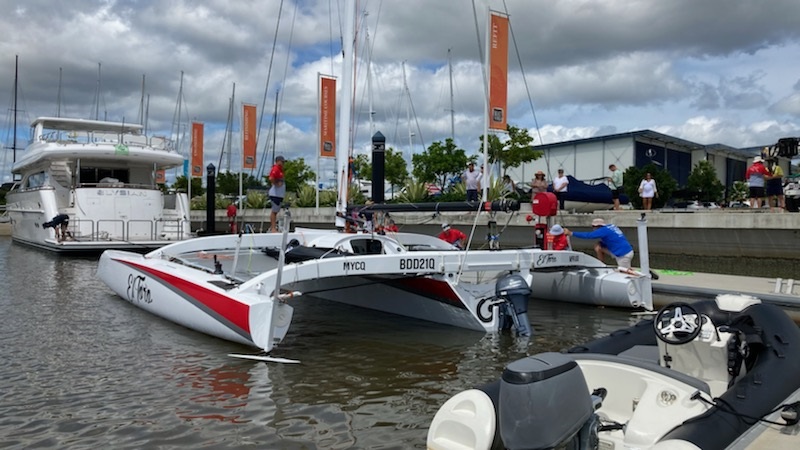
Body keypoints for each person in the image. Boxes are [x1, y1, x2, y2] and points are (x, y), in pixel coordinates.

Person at [565, 218, 634, 269]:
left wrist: (571, 233)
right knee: (598, 246)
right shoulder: (610, 226)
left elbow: (588, 236)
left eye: (593, 227)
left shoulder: (602, 231)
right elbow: (612, 238)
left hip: (623, 255)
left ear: (597, 226)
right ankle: (601, 265)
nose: (593, 229)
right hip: (626, 250)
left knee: (624, 274)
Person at [268, 155, 286, 232]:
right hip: (275, 194)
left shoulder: (280, 170)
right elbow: (271, 178)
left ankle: (274, 227)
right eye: (282, 162)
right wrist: (276, 183)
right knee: (274, 211)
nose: (283, 163)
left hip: (279, 194)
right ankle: (273, 228)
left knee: (276, 210)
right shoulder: (275, 168)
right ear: (278, 161)